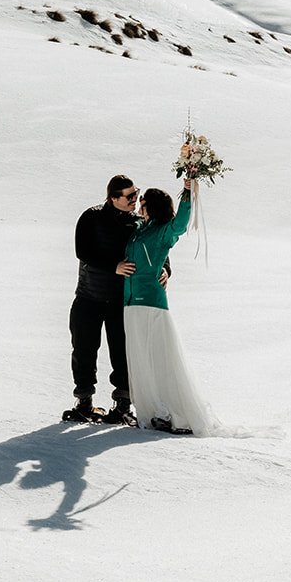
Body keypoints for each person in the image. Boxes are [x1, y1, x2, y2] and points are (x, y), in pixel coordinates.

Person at [123, 176, 220, 436]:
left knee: (162, 356)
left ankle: (178, 413)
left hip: (152, 302)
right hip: (130, 301)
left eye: (142, 201)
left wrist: (187, 193)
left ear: (152, 205)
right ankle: (153, 412)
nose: (139, 205)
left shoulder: (164, 230)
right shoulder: (139, 229)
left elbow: (181, 224)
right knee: (140, 357)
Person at [66, 174, 141, 423]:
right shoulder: (92, 217)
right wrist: (114, 266)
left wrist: (165, 270)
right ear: (113, 197)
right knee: (84, 350)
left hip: (121, 301)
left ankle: (122, 405)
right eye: (130, 196)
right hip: (89, 297)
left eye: (136, 193)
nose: (135, 200)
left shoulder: (138, 223)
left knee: (122, 353)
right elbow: (82, 251)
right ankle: (84, 402)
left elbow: (155, 250)